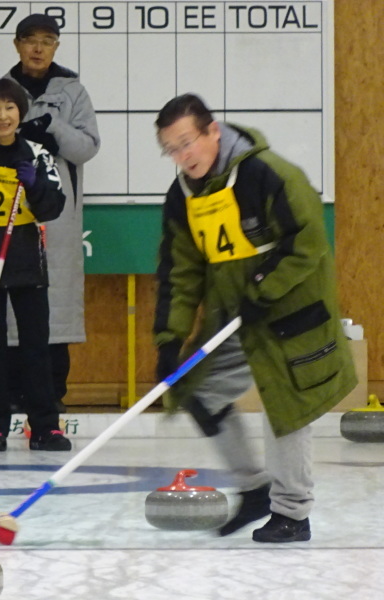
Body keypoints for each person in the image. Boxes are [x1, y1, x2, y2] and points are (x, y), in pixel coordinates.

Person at [153, 93, 357, 543]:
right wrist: (170, 339)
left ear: (213, 131)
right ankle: (255, 489)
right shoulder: (182, 196)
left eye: (188, 142)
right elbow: (180, 272)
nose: (182, 157)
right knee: (198, 392)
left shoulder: (269, 175)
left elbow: (307, 243)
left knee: (284, 405)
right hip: (236, 316)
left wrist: (264, 288)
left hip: (289, 309)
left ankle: (292, 513)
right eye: (171, 149)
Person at [0, 13, 100, 413]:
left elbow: (87, 147)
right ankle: (9, 398)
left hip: (55, 218)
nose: (39, 48)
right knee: (8, 304)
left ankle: (49, 399)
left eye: (47, 40)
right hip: (2, 217)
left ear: (57, 46)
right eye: (30, 40)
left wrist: (53, 129)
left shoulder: (73, 92)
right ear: (17, 45)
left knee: (54, 307)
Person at [0, 77, 70, 452]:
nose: (2, 116)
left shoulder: (38, 154)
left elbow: (53, 207)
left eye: (9, 107)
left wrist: (35, 185)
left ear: (20, 112)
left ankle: (45, 427)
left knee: (36, 345)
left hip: (27, 262)